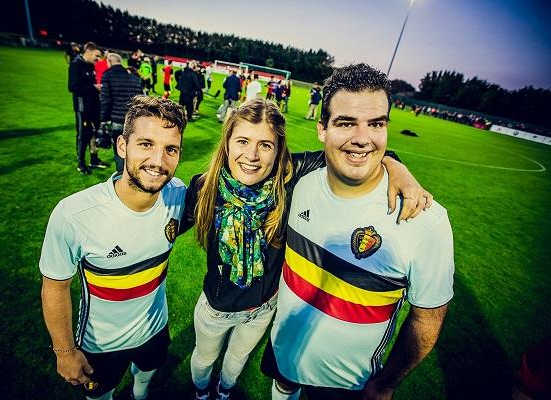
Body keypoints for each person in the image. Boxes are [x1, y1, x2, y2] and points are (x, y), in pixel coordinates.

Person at [180, 97, 432, 400]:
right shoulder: (204, 187)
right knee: (204, 357)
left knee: (237, 359)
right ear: (227, 144)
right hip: (215, 309)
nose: (252, 155)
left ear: (279, 150)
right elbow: (163, 226)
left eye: (265, 145)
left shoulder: (290, 178)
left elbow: (357, 154)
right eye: (242, 141)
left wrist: (396, 167)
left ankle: (224, 392)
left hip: (263, 309)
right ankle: (201, 393)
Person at [262, 63, 454, 400]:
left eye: (376, 123)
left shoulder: (425, 220)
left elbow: (427, 319)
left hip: (347, 385)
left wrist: (385, 384)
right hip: (283, 349)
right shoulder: (298, 184)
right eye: (346, 123)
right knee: (283, 386)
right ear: (322, 129)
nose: (362, 138)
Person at [40, 95, 187, 400]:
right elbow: (55, 286)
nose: (158, 161)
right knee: (100, 394)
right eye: (146, 144)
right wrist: (65, 352)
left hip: (155, 325)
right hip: (101, 343)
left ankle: (140, 394)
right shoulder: (74, 215)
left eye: (170, 149)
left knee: (148, 370)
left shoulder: (178, 195)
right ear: (122, 146)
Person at [68, 41, 110, 174]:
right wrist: (93, 87)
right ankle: (81, 163)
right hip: (82, 107)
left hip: (94, 105)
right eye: (96, 56)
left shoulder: (90, 66)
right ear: (88, 51)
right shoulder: (76, 65)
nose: (98, 59)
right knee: (83, 135)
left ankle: (94, 159)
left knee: (95, 133)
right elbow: (73, 87)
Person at [100, 53, 144, 172]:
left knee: (120, 151)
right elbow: (141, 100)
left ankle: (122, 177)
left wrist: (103, 119)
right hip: (135, 121)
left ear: (109, 62)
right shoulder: (134, 78)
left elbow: (105, 100)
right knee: (133, 151)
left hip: (117, 120)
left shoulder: (108, 75)